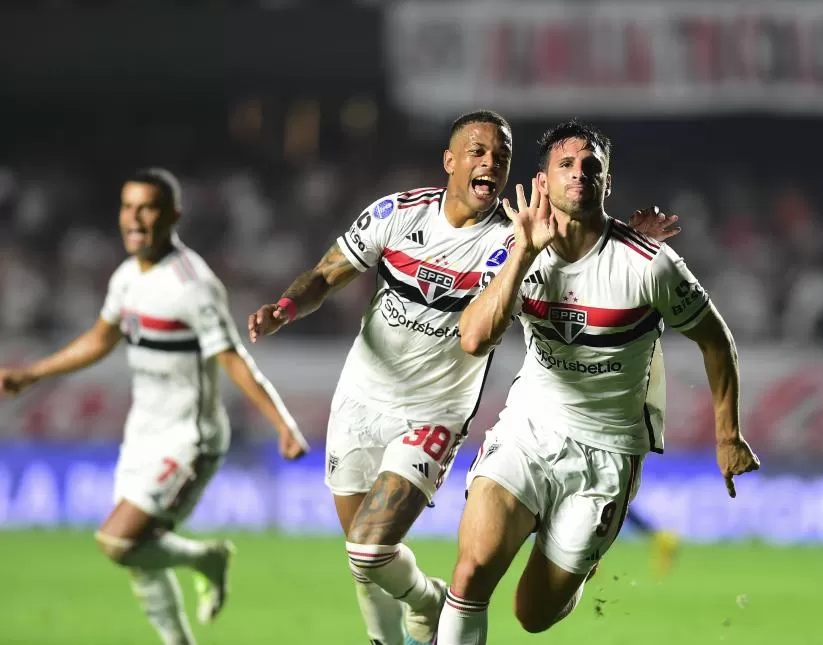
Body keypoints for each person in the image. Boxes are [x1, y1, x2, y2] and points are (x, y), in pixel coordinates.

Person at [247, 111, 681, 645]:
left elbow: (581, 247)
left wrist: (630, 241)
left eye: (501, 156)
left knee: (368, 547)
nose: (490, 163)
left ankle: (430, 604)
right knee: (363, 560)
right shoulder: (397, 214)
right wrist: (287, 307)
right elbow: (324, 275)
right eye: (477, 152)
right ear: (450, 162)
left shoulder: (516, 240)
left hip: (433, 415)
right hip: (358, 400)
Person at [436, 120, 760, 644]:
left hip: (607, 454)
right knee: (471, 573)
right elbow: (472, 338)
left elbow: (715, 339)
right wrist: (522, 253)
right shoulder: (511, 247)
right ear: (541, 182)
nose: (580, 173)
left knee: (532, 614)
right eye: (566, 165)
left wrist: (727, 434)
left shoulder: (649, 265)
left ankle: (578, 562)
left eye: (592, 166)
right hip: (528, 432)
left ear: (607, 183)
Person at [0, 169, 308, 645]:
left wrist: (282, 424)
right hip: (142, 431)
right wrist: (33, 373)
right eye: (128, 207)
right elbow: (101, 339)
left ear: (173, 216)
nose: (135, 218)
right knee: (141, 561)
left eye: (147, 208)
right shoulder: (126, 277)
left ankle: (207, 558)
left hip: (191, 438)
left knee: (118, 541)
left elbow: (234, 359)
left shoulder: (193, 286)